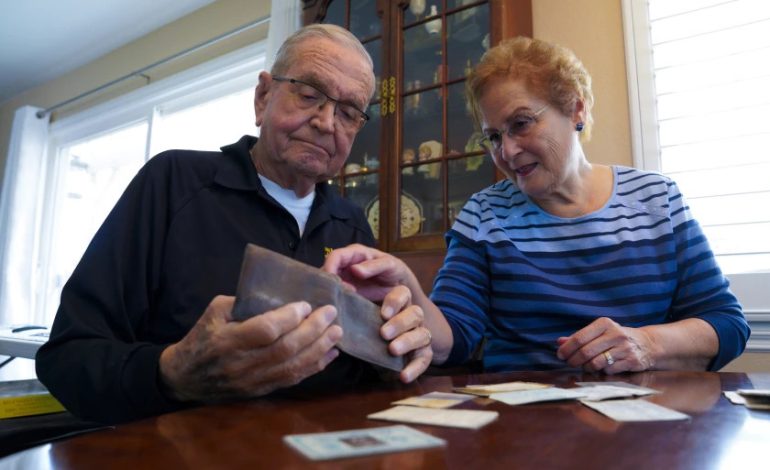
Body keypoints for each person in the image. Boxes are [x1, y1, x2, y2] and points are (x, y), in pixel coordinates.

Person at [35, 24, 432, 425]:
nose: (327, 122)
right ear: (263, 97)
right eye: (310, 94)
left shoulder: (352, 225)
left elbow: (371, 371)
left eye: (348, 113)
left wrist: (396, 350)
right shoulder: (173, 183)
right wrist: (172, 372)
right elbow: (67, 359)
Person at [323, 36, 749, 375]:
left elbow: (726, 325)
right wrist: (410, 291)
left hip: (647, 429)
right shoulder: (484, 216)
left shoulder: (658, 199)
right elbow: (454, 339)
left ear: (575, 109)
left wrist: (649, 344)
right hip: (523, 430)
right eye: (493, 136)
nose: (506, 152)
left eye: (521, 124)